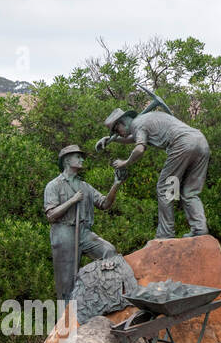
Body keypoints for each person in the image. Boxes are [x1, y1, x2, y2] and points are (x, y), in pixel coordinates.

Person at [102, 107, 211, 239]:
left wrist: (125, 163)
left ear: (122, 122)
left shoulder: (137, 125)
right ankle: (200, 228)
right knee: (190, 192)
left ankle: (166, 233)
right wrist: (110, 139)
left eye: (116, 130)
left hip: (182, 144)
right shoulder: (146, 119)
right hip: (201, 143)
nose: (118, 134)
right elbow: (132, 138)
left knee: (165, 188)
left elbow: (139, 149)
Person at [43, 146, 121, 302]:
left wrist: (116, 184)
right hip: (64, 232)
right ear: (67, 160)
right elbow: (51, 215)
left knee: (109, 251)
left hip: (84, 232)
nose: (82, 160)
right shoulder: (54, 185)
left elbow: (105, 204)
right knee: (66, 282)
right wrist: (72, 200)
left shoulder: (85, 186)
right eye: (78, 157)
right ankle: (66, 318)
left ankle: (110, 295)